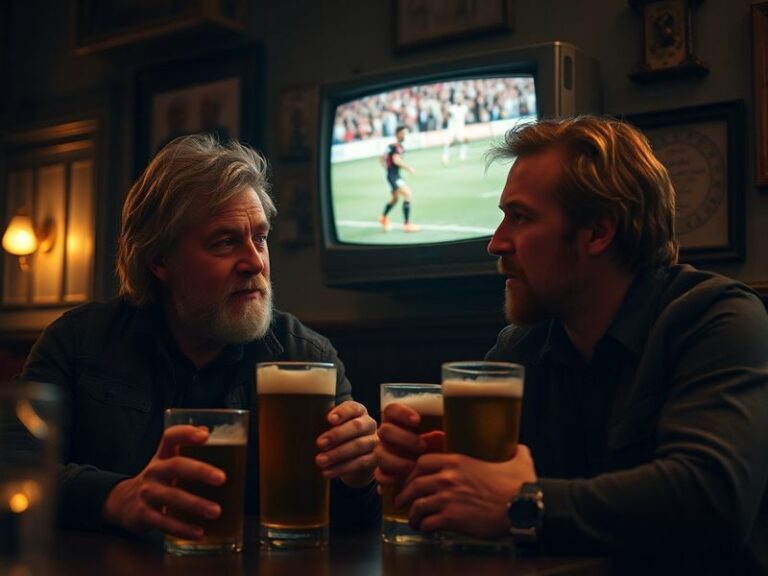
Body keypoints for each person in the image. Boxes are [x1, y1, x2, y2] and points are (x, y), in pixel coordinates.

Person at [376, 116, 768, 574]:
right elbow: (469, 493)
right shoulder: (521, 347)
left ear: (598, 233)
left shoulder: (717, 319)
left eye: (519, 217)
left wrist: (526, 502)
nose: (496, 243)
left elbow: (711, 497)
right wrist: (417, 469)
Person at [14, 135, 380, 538]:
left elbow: (355, 525)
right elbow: (13, 466)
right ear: (159, 260)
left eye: (260, 237)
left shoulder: (305, 356)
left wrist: (359, 478)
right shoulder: (77, 343)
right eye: (225, 242)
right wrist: (117, 497)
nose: (255, 262)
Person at [379, 125, 420, 233]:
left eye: (406, 133)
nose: (405, 135)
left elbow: (381, 158)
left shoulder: (391, 146)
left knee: (395, 199)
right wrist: (408, 167)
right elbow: (396, 160)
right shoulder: (397, 147)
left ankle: (383, 218)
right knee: (407, 194)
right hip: (393, 176)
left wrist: (386, 168)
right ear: (398, 134)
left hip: (392, 174)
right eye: (403, 133)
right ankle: (407, 224)